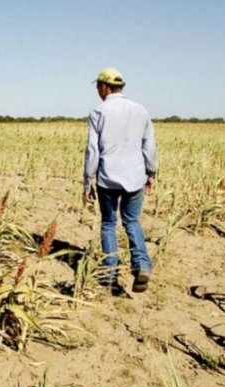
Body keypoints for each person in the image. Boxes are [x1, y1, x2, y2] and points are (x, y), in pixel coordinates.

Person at [83, 67, 157, 294]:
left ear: (105, 87)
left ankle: (110, 272)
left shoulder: (98, 112)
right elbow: (149, 146)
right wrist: (151, 173)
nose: (97, 90)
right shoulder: (140, 110)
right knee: (132, 221)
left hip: (108, 178)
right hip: (135, 176)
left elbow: (92, 151)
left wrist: (87, 180)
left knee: (108, 223)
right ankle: (142, 265)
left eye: (98, 86)